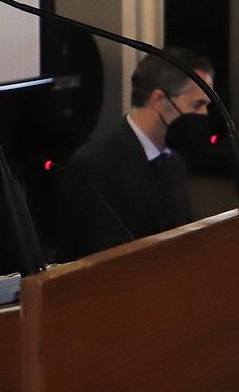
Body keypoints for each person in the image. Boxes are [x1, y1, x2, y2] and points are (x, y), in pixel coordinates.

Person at [54, 48, 215, 261]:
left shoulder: (174, 159)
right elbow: (103, 257)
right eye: (197, 105)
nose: (204, 115)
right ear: (159, 100)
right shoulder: (95, 165)